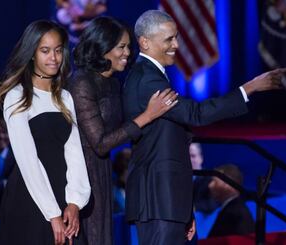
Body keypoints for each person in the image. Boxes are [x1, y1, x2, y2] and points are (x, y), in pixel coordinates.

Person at [122, 10, 286, 245]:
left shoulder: (152, 75)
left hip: (166, 199)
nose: (177, 45)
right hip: (158, 199)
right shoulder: (147, 79)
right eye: (169, 39)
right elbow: (196, 113)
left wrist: (183, 209)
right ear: (145, 42)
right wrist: (249, 88)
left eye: (176, 37)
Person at [70, 16, 177, 245]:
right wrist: (147, 115)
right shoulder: (81, 83)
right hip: (81, 176)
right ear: (102, 47)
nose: (128, 52)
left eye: (129, 46)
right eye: (121, 47)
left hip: (102, 172)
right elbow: (99, 143)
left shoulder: (114, 82)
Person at [0, 20, 91, 245]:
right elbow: (27, 159)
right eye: (45, 50)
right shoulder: (17, 96)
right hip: (29, 198)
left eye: (58, 50)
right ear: (32, 53)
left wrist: (74, 202)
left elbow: (75, 154)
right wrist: (52, 213)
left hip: (64, 194)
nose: (53, 57)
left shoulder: (65, 97)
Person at [207, 164, 255, 237]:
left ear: (228, 183)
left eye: (215, 181)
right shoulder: (232, 209)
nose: (210, 185)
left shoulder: (235, 212)